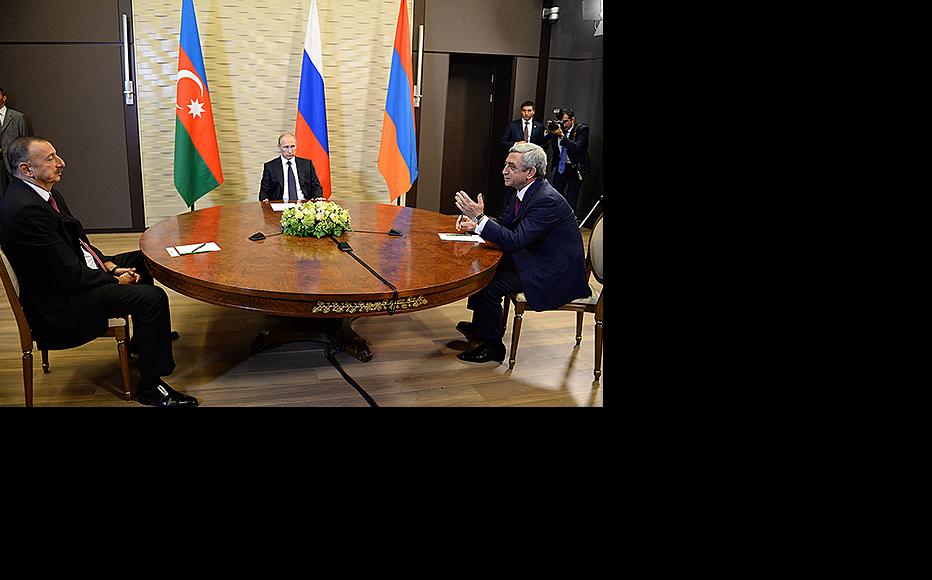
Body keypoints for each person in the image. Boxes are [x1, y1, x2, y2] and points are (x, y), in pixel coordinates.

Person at [0, 136, 196, 407]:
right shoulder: (26, 210)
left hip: (69, 275)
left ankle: (142, 342)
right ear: (26, 170)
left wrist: (111, 265)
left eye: (56, 155)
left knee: (143, 260)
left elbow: (79, 244)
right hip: (60, 303)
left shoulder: (43, 193)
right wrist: (114, 278)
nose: (61, 163)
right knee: (152, 299)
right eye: (50, 159)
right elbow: (66, 274)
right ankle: (150, 387)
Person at [452, 142, 590, 363]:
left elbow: (516, 241)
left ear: (530, 173)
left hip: (552, 270)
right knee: (480, 268)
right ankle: (482, 326)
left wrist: (481, 220)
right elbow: (507, 226)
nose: (504, 170)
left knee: (489, 285)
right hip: (535, 255)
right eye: (506, 164)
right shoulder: (523, 191)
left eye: (511, 166)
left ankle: (493, 347)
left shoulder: (546, 200)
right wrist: (476, 224)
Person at [544, 107, 590, 220]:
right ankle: (553, 219)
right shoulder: (558, 129)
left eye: (565, 121)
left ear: (572, 120)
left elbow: (576, 147)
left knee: (571, 196)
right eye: (561, 122)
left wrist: (562, 136)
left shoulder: (581, 129)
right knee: (555, 193)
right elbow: (543, 138)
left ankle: (568, 221)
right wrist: (548, 130)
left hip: (576, 167)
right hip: (561, 166)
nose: (563, 124)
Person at [258, 132, 323, 202]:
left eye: (292, 146)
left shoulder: (307, 164)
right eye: (286, 147)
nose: (290, 151)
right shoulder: (270, 167)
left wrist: (318, 196)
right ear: (279, 147)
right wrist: (265, 200)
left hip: (303, 205)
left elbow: (316, 186)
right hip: (280, 205)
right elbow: (264, 190)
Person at [0, 86, 29, 197]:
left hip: (13, 162)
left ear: (4, 97)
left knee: (17, 193)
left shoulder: (18, 117)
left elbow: (25, 141)